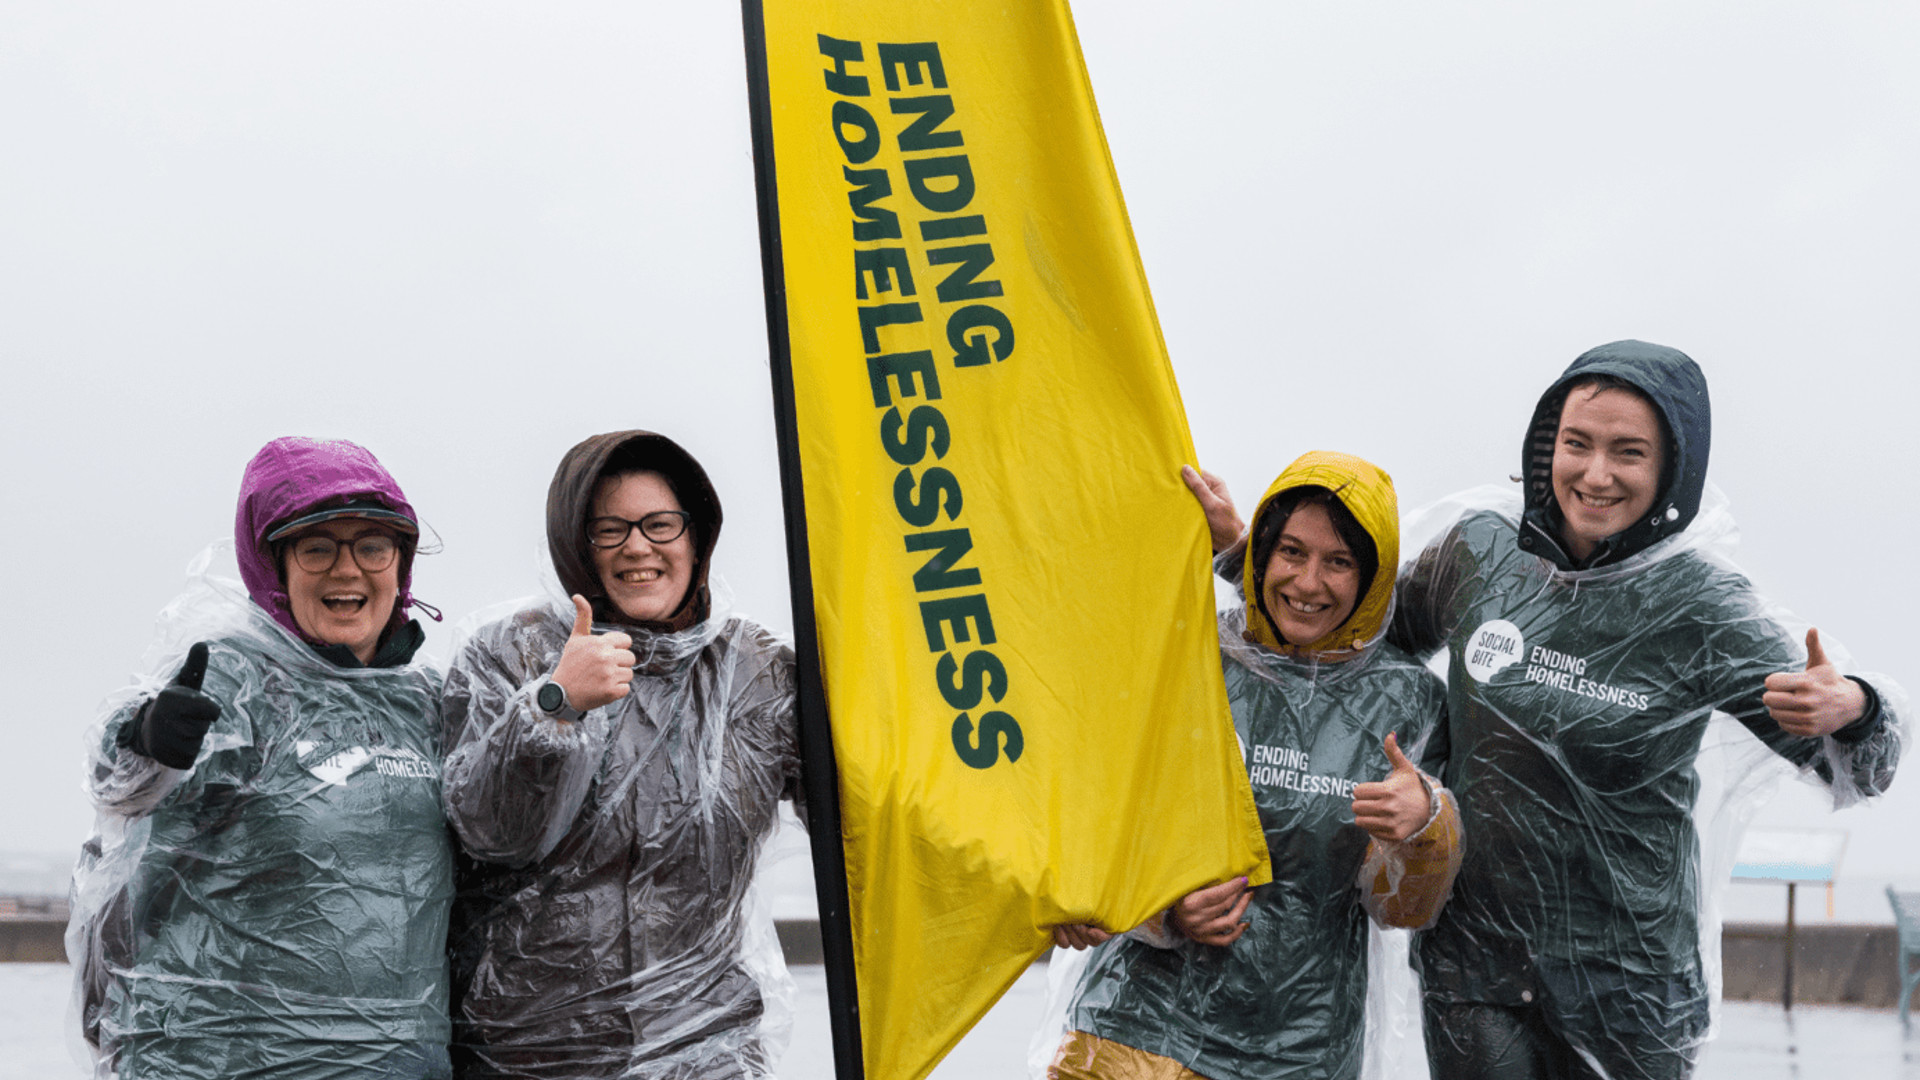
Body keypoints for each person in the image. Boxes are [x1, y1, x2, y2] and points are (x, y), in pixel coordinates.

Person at [1386, 340, 1906, 1079]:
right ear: (1547, 447)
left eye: (1627, 452)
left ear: (1672, 469)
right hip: (1477, 972)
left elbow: (1861, 769)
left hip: (1627, 985)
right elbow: (1361, 647)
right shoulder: (1481, 554)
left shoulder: (1696, 604)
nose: (1596, 474)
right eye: (1577, 444)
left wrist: (1855, 708)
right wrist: (1242, 557)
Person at [1045, 451, 1463, 1080]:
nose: (1307, 582)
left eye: (1340, 562)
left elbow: (1401, 910)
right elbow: (1094, 822)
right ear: (1261, 553)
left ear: (1372, 577)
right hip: (1136, 1033)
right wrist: (1162, 907)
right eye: (1291, 552)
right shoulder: (1192, 656)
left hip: (1299, 1052)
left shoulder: (1409, 701)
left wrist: (1424, 827)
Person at [67, 436, 454, 1080]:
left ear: (401, 564)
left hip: (402, 1063)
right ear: (273, 565)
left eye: (372, 545)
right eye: (317, 546)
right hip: (224, 1058)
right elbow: (117, 787)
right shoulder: (232, 677)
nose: (348, 569)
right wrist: (145, 734)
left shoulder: (428, 702)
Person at [440, 430, 803, 1080]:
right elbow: (489, 831)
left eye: (660, 524)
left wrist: (1034, 882)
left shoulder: (758, 672)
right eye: (610, 530)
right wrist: (554, 704)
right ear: (577, 547)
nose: (638, 546)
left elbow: (871, 815)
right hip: (540, 1055)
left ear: (697, 536)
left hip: (711, 1054)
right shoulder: (509, 656)